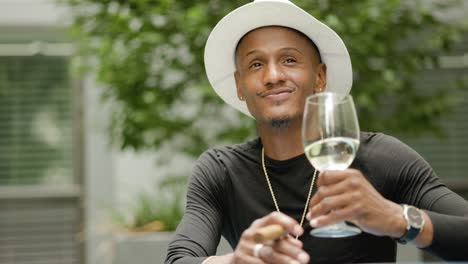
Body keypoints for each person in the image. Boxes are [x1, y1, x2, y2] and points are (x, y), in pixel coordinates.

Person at [165, 0, 468, 263]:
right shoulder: (221, 171)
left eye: (289, 60)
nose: (273, 76)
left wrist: (397, 219)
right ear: (239, 86)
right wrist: (236, 262)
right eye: (256, 64)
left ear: (320, 77)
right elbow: (179, 258)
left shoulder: (382, 158)